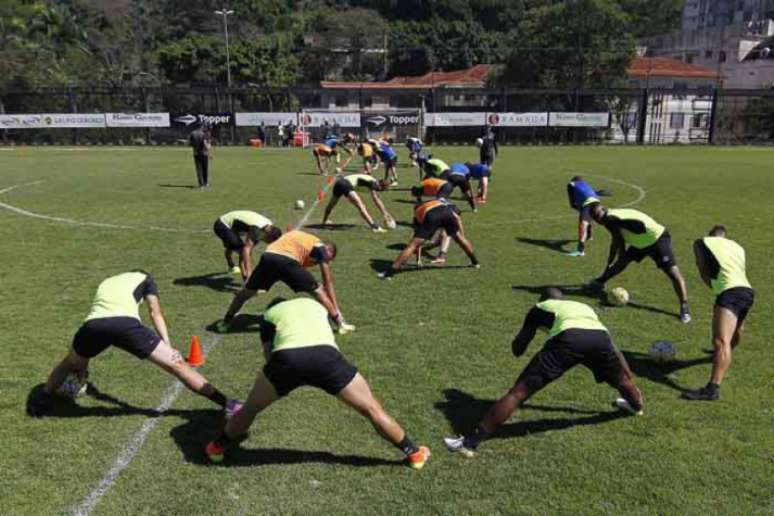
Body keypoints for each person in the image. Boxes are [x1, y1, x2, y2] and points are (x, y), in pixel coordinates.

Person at [204, 297, 431, 469]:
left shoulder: (269, 315)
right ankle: (413, 453)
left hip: (287, 359)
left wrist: (281, 378)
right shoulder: (314, 305)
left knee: (250, 409)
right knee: (372, 409)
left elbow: (268, 354)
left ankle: (216, 447)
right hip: (327, 357)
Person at [444, 288, 643, 457]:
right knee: (622, 380)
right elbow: (612, 346)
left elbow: (518, 349)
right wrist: (626, 374)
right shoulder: (583, 306)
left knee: (518, 393)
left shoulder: (539, 308)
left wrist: (534, 328)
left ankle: (469, 442)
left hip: (568, 339)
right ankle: (636, 406)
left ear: (543, 300)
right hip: (600, 339)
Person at [29, 271, 240, 417]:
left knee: (69, 362)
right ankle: (228, 404)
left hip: (93, 325)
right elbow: (154, 311)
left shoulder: (107, 281)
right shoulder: (145, 278)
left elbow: (103, 316)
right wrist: (167, 344)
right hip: (126, 325)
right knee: (178, 367)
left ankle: (42, 399)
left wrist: (81, 368)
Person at [222, 230, 355, 333]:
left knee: (246, 293)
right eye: (328, 259)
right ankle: (340, 323)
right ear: (328, 250)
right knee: (319, 290)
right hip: (287, 261)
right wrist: (335, 307)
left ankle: (225, 322)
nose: (325, 261)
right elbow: (328, 282)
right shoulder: (321, 248)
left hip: (268, 258)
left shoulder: (300, 238)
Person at [681, 225, 754, 401]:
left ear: (711, 235)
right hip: (747, 291)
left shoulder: (702, 242)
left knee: (721, 342)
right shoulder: (738, 247)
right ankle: (724, 355)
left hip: (729, 293)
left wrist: (714, 287)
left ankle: (712, 389)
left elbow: (703, 268)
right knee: (737, 330)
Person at [588, 204, 691, 323]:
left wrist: (614, 260)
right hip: (640, 242)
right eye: (596, 218)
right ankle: (600, 281)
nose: (599, 220)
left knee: (672, 272)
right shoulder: (609, 216)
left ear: (602, 212)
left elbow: (619, 243)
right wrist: (611, 261)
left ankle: (684, 307)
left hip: (656, 239)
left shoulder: (609, 219)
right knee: (623, 261)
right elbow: (615, 241)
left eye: (598, 217)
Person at [378, 199, 479, 277]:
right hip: (448, 212)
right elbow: (456, 216)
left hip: (432, 215)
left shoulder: (417, 213)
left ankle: (390, 272)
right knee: (459, 238)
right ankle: (475, 262)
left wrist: (418, 259)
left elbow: (418, 244)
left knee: (413, 244)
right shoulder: (435, 202)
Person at [213, 210, 282, 280]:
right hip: (222, 225)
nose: (266, 242)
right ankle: (247, 280)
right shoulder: (257, 229)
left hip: (235, 226)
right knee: (240, 249)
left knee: (237, 246)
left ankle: (233, 267)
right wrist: (250, 273)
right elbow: (246, 250)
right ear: (268, 235)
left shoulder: (269, 226)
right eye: (267, 241)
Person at [322, 174, 395, 233]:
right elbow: (376, 200)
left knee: (331, 204)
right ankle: (375, 227)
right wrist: (386, 214)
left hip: (339, 183)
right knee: (361, 206)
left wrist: (385, 213)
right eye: (381, 190)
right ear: (380, 186)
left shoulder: (372, 181)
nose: (379, 191)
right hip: (346, 184)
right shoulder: (373, 183)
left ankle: (324, 221)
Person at [566, 175, 602, 257]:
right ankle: (589, 236)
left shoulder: (571, 184)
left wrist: (575, 206)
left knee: (583, 225)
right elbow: (591, 193)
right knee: (589, 218)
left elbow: (572, 202)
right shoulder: (586, 185)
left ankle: (580, 250)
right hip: (597, 203)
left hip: (587, 204)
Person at [189, 123, 212, 188]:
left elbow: (190, 143)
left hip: (196, 153)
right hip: (204, 153)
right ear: (201, 126)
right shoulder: (203, 134)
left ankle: (200, 184)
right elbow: (205, 143)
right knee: (205, 169)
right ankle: (205, 183)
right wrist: (209, 151)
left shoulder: (192, 133)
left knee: (199, 169)